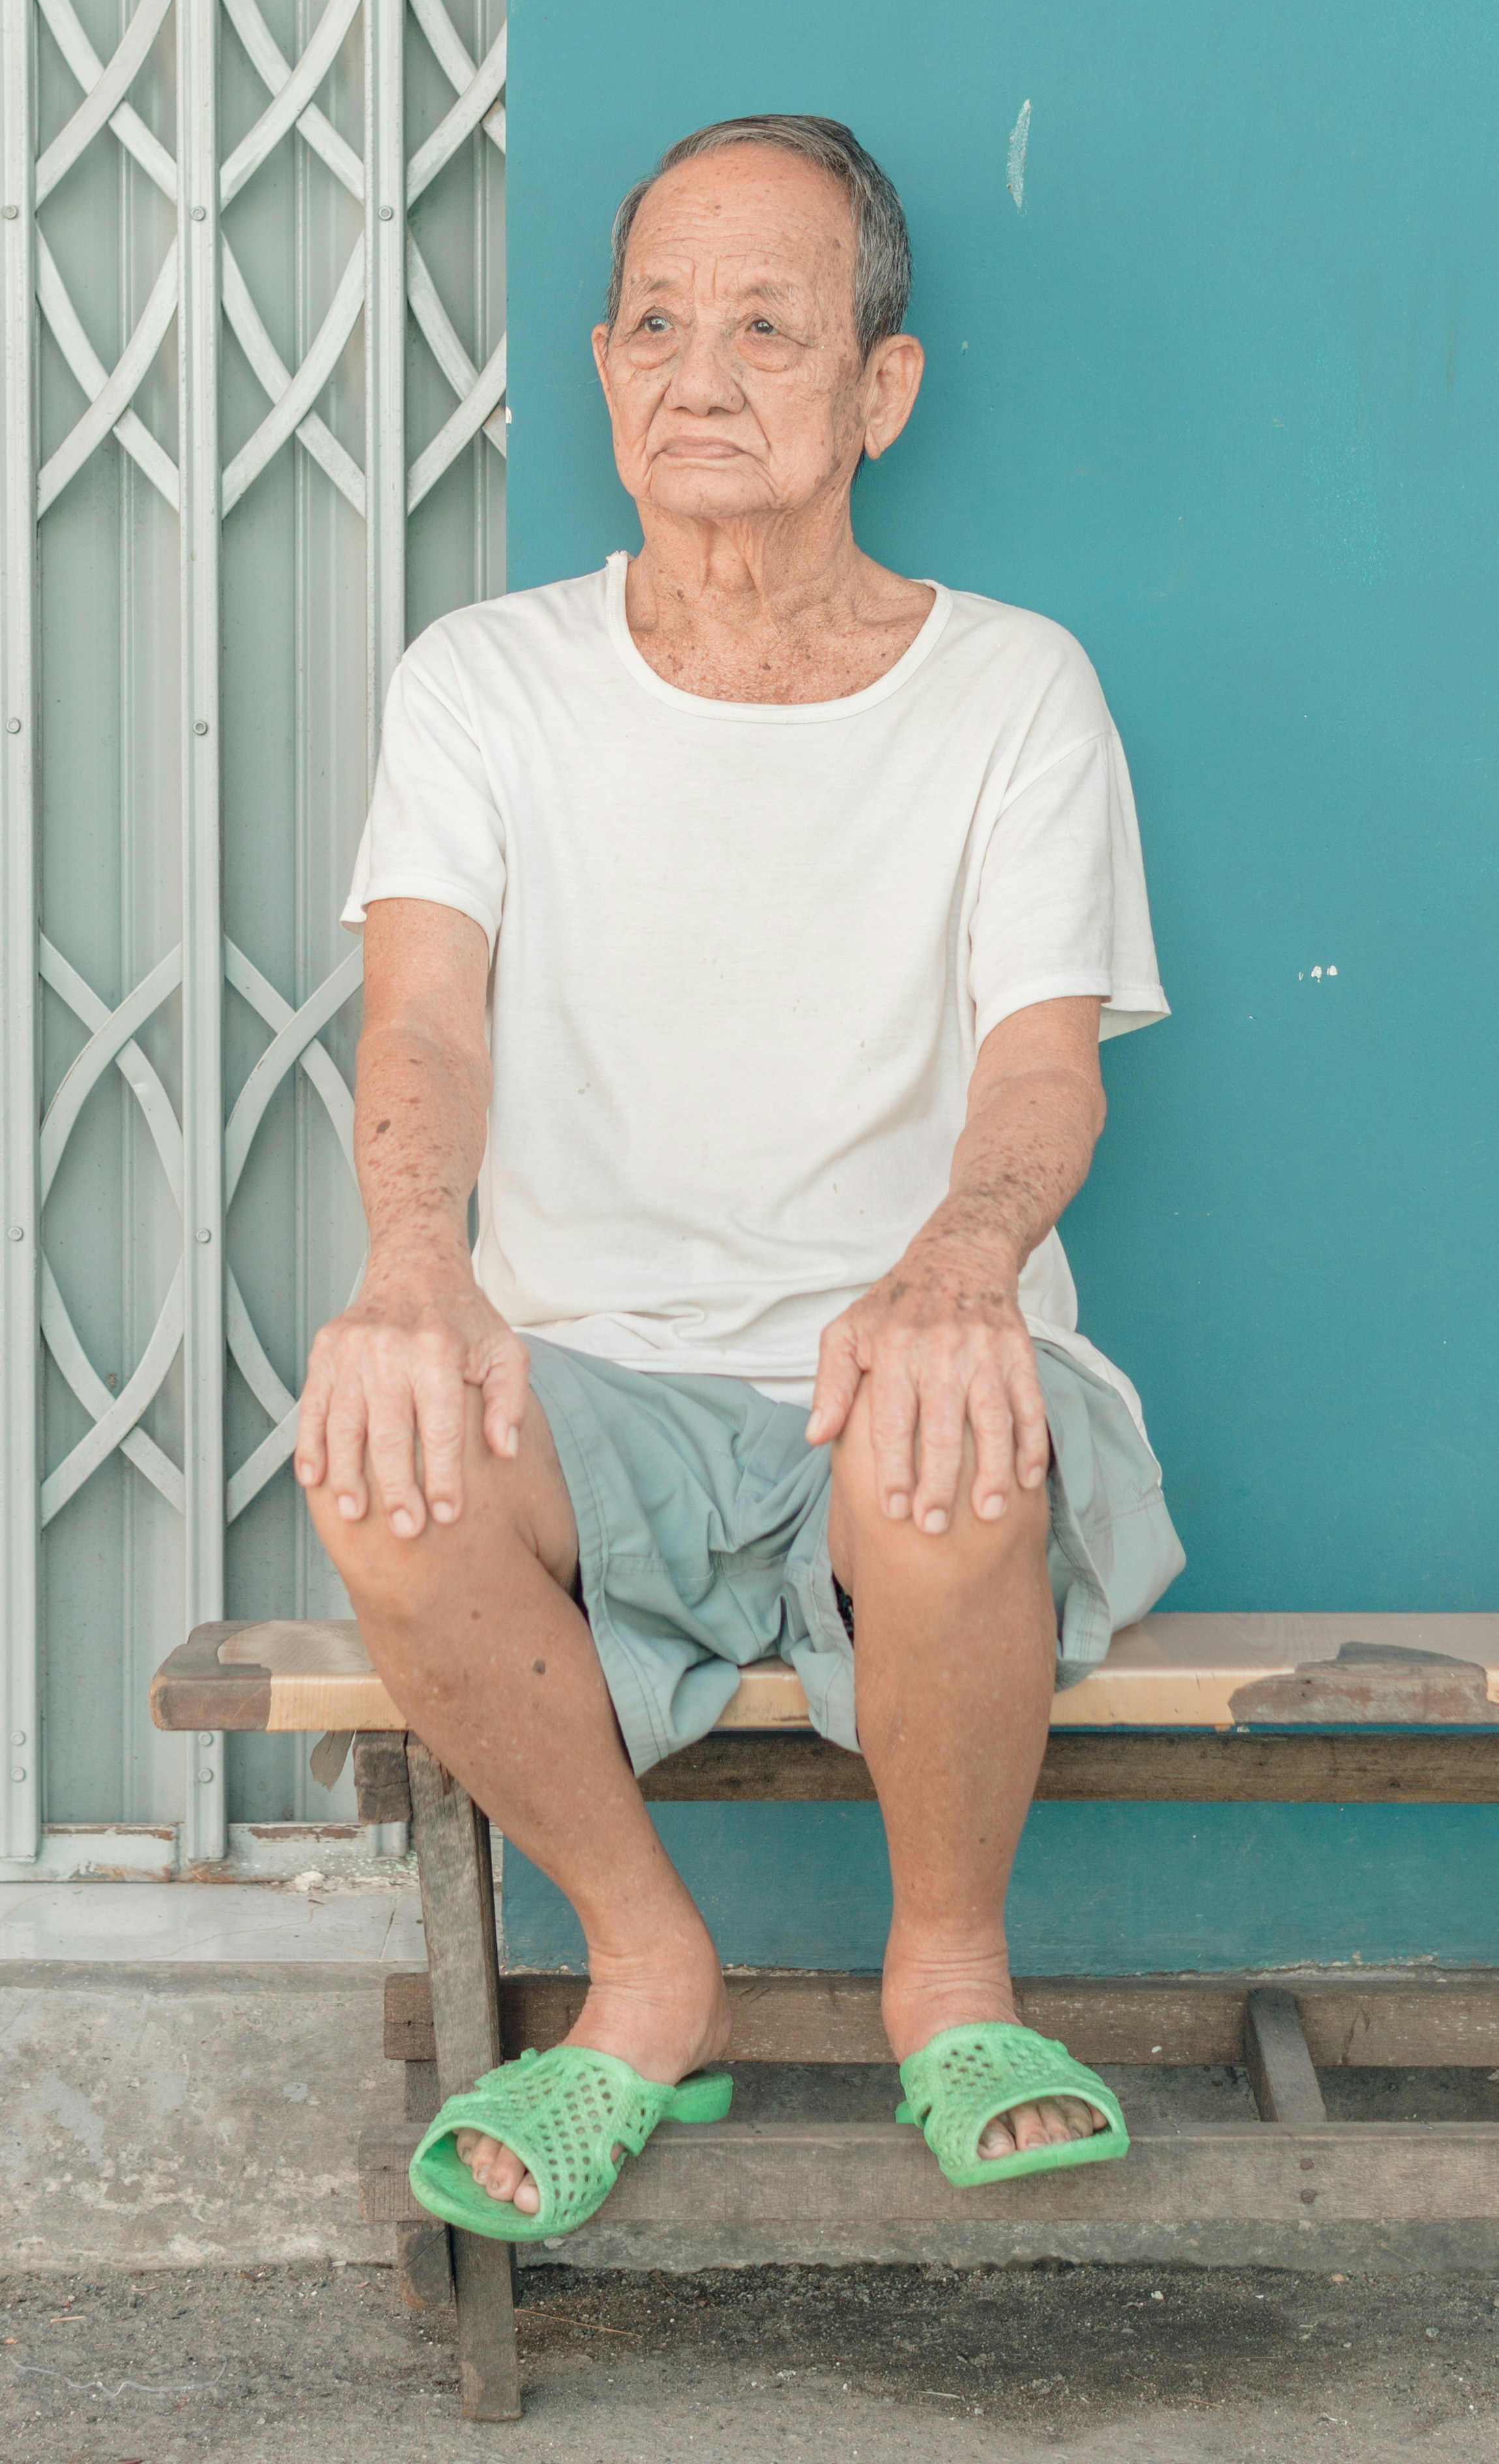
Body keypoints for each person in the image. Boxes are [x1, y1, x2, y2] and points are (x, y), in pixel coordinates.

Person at [295, 113, 1185, 2238]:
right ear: (603, 371)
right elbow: (420, 1018)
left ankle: (948, 1977)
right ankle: (646, 1968)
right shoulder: (485, 681)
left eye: (768, 329)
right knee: (382, 1446)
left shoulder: (1009, 688)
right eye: (662, 328)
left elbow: (1039, 1068)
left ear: (877, 388)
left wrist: (961, 1270)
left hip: (898, 1366)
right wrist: (414, 1265)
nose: (700, 375)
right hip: (603, 1381)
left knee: (944, 1421)